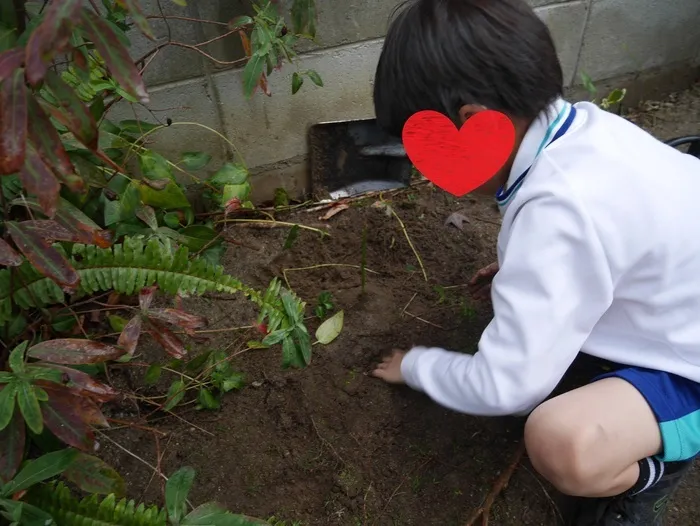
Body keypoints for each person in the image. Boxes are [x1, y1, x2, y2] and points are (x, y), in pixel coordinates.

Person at [369, 0, 700, 524]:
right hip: (679, 304)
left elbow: (507, 386)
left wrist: (417, 365)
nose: (427, 172)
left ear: (472, 122)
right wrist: (520, 268)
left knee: (561, 441)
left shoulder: (561, 214)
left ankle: (652, 474)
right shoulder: (583, 131)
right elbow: (611, 235)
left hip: (690, 363)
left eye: (426, 150)